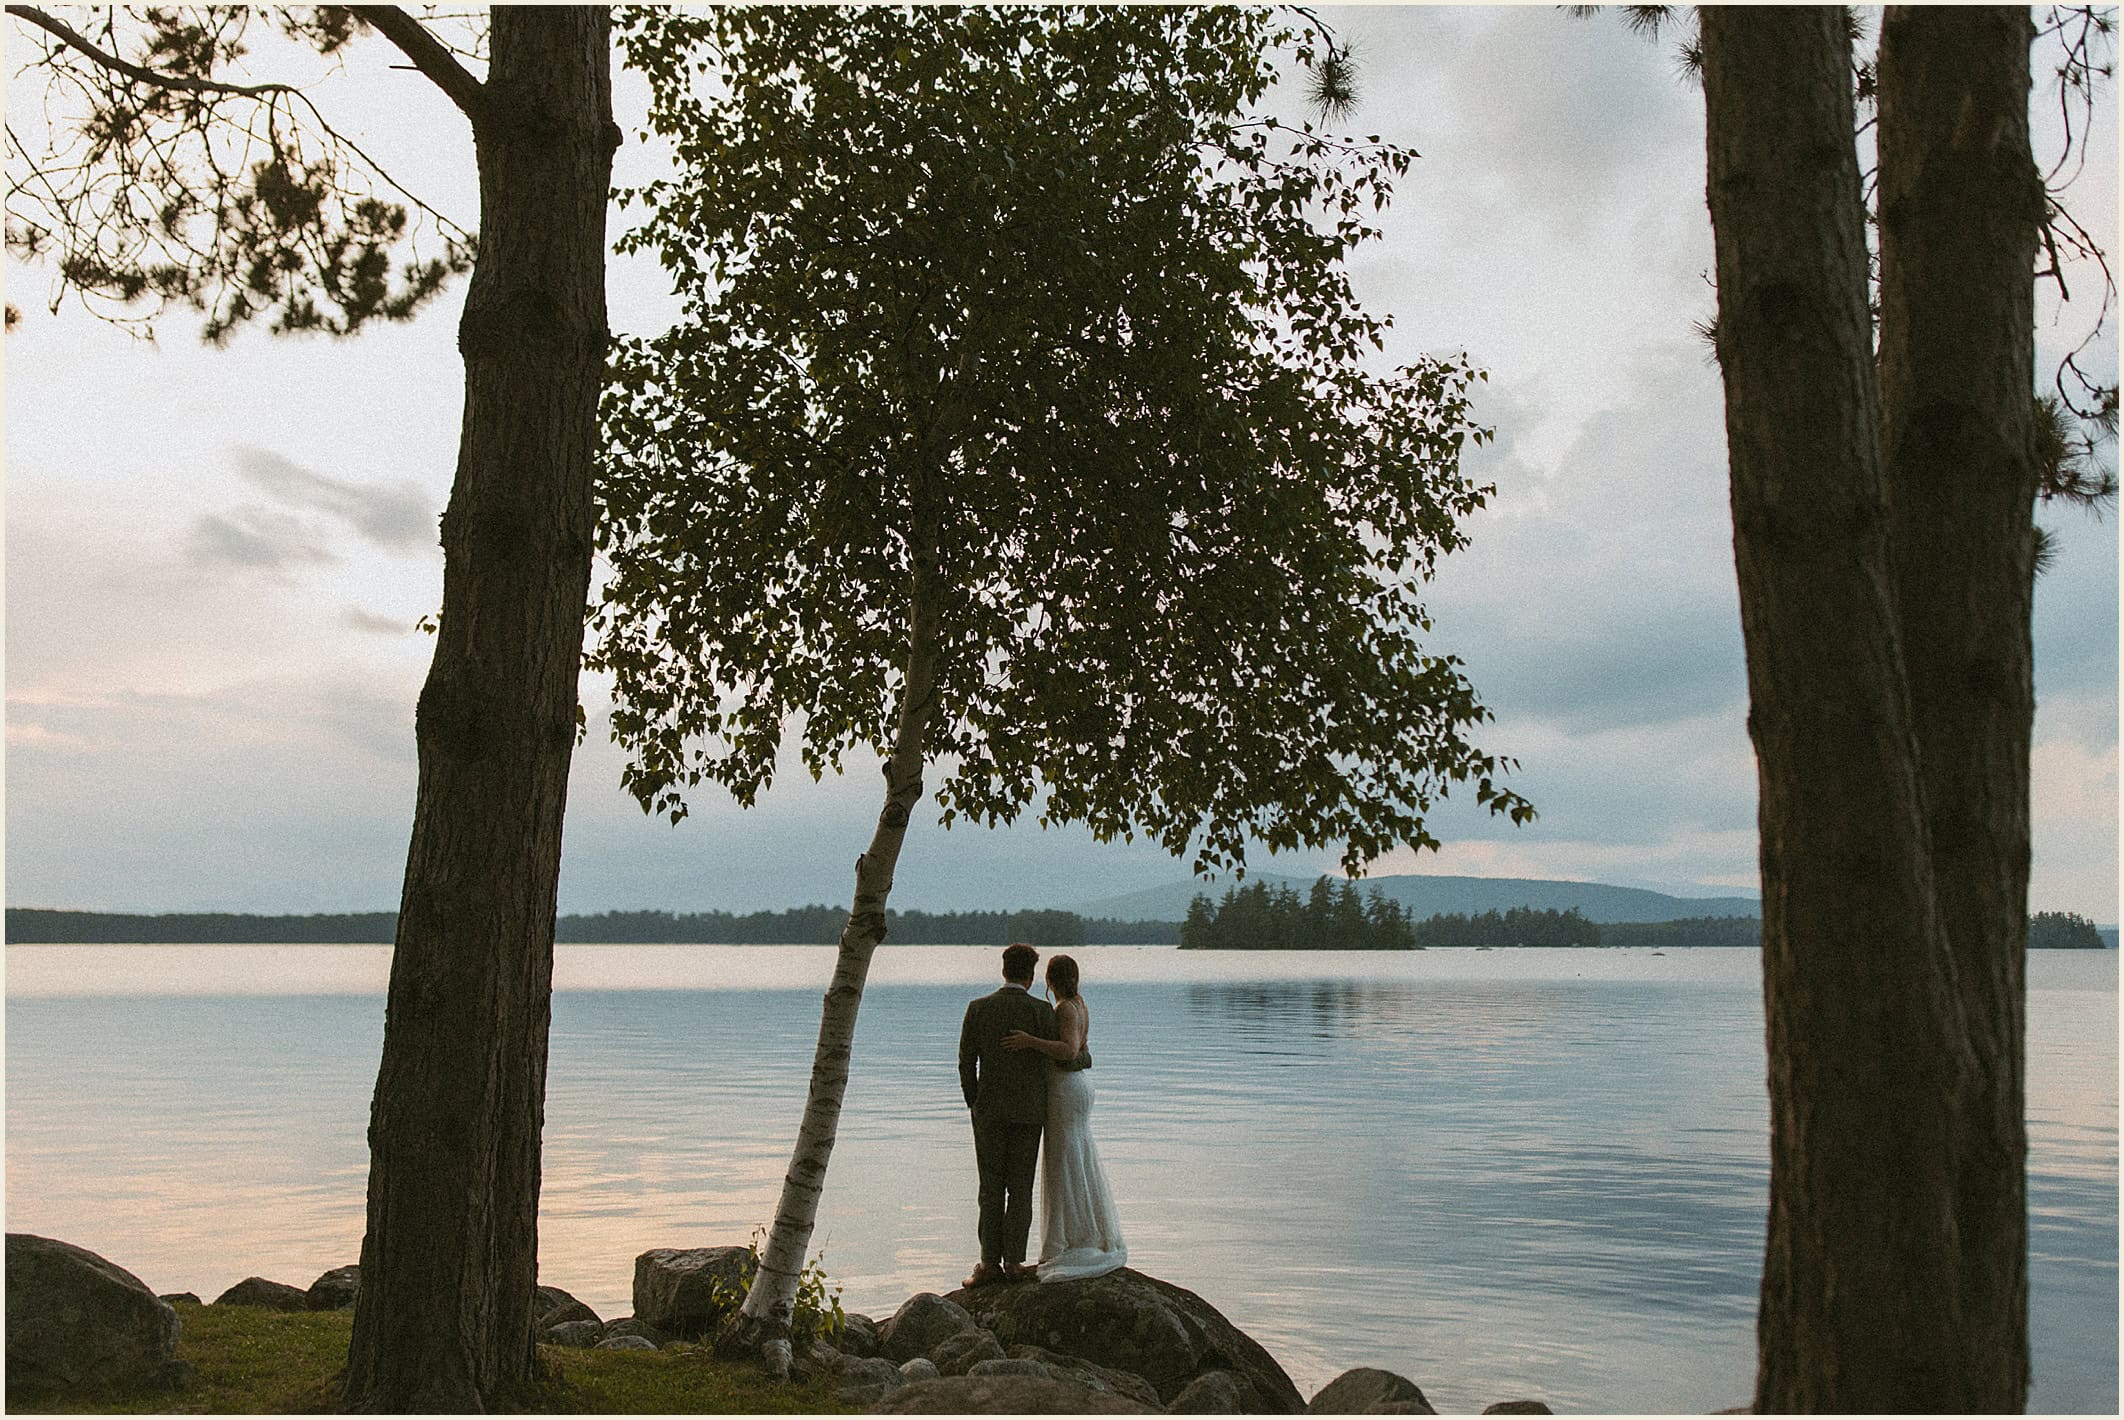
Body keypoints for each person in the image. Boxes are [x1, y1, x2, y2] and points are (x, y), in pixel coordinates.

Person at [1002, 952, 1127, 1282]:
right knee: (1077, 1154)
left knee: (1062, 1158)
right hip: (1078, 1087)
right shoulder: (1080, 1003)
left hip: (1065, 1090)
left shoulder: (1063, 1008)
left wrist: (1030, 1042)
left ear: (1049, 980)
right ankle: (1086, 1230)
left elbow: (1070, 1050)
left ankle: (1069, 1239)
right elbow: (1083, 1051)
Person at [957, 942, 1055, 1286]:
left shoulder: (978, 1008)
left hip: (989, 1112)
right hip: (1029, 1112)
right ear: (1030, 976)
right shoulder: (1043, 1012)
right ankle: (1014, 1262)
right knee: (1021, 1187)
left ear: (1003, 971)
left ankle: (988, 1263)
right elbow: (1054, 1063)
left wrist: (974, 1100)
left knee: (990, 1187)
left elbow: (966, 1062)